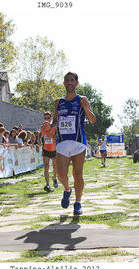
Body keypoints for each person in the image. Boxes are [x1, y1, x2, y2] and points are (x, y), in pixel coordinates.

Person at [51, 72, 96, 215]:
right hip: (62, 142)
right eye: (66, 80)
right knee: (61, 175)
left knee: (78, 173)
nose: (69, 82)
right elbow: (55, 121)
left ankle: (78, 202)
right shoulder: (58, 102)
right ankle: (67, 189)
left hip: (78, 142)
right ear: (64, 84)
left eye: (72, 80)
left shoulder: (82, 99)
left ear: (76, 83)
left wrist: (86, 108)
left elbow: (93, 120)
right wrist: (50, 126)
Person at [39, 112, 58, 192]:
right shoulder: (42, 127)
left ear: (51, 118)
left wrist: (52, 136)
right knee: (46, 166)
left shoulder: (54, 127)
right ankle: (47, 185)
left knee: (55, 167)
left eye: (48, 118)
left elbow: (59, 137)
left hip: (54, 150)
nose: (46, 120)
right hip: (45, 149)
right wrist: (39, 140)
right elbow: (39, 135)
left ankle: (54, 177)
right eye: (45, 118)